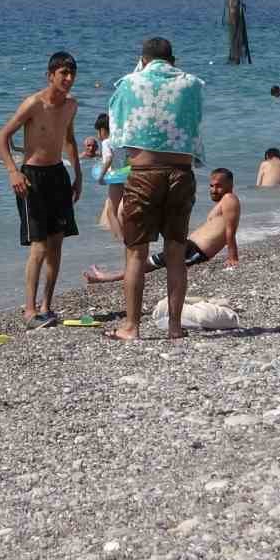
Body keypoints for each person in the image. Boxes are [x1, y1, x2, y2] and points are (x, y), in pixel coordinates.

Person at [105, 37, 205, 340]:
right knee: (175, 252)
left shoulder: (129, 82)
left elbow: (118, 130)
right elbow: (195, 124)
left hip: (145, 173)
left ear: (143, 59)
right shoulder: (192, 84)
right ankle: (175, 327)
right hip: (180, 172)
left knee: (136, 253)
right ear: (172, 59)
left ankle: (131, 326)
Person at [0, 51, 82, 326]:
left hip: (58, 175)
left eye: (71, 74)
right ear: (50, 75)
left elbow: (69, 139)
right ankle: (30, 310)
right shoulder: (34, 103)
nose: (68, 79)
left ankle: (47, 306)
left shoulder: (71, 106)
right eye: (63, 74)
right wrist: (13, 171)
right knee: (39, 246)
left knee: (57, 243)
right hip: (32, 177)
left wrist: (78, 175)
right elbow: (2, 137)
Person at [85, 168, 240, 283]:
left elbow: (230, 230)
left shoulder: (229, 199)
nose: (213, 190)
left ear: (230, 184)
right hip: (190, 248)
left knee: (146, 264)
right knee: (148, 263)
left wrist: (232, 257)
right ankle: (106, 276)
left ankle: (105, 277)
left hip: (195, 251)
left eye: (218, 186)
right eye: (211, 186)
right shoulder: (225, 200)